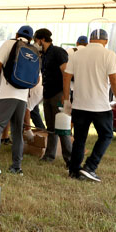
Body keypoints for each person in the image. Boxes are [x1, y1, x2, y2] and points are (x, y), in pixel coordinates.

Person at [62, 28, 116, 182]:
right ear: (106, 41)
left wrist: (66, 100)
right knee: (106, 135)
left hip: (80, 104)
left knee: (80, 138)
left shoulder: (77, 54)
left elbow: (67, 77)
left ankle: (74, 171)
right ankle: (90, 167)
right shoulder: (109, 54)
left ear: (90, 40)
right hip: (100, 105)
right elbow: (114, 80)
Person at [0, 25, 38, 175]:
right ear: (31, 38)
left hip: (6, 94)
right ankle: (16, 167)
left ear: (16, 34)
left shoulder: (9, 43)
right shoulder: (33, 50)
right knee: (17, 131)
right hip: (22, 96)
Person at [32, 28, 72, 165]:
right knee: (50, 127)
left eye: (36, 40)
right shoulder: (44, 54)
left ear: (42, 39)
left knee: (62, 127)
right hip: (47, 93)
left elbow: (66, 74)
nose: (35, 43)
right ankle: (49, 155)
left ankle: (70, 159)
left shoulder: (58, 52)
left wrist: (65, 96)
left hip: (58, 94)